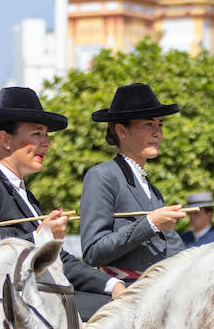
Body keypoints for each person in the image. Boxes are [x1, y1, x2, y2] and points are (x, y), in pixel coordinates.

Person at [0, 86, 124, 320]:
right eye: (37, 134)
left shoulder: (24, 193)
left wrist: (112, 284)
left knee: (125, 306)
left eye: (46, 135)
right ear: (5, 139)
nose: (46, 143)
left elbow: (59, 258)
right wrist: (40, 237)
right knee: (117, 316)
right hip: (14, 309)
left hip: (45, 297)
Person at [79, 82, 186, 281]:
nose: (157, 132)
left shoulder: (150, 187)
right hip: (127, 294)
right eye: (148, 124)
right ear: (122, 131)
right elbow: (93, 251)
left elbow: (173, 247)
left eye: (160, 124)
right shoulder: (102, 175)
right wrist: (150, 223)